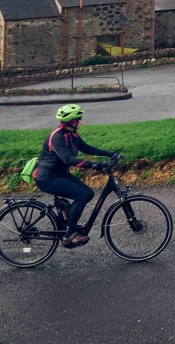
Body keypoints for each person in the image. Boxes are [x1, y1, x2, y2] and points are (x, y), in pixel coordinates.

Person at [31, 105, 117, 247]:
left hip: (60, 174)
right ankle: (69, 234)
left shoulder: (72, 135)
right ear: (72, 121)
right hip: (47, 178)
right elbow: (68, 159)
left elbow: (87, 148)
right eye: (79, 119)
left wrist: (110, 154)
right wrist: (93, 165)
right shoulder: (57, 137)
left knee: (88, 193)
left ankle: (67, 222)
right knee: (81, 195)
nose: (81, 122)